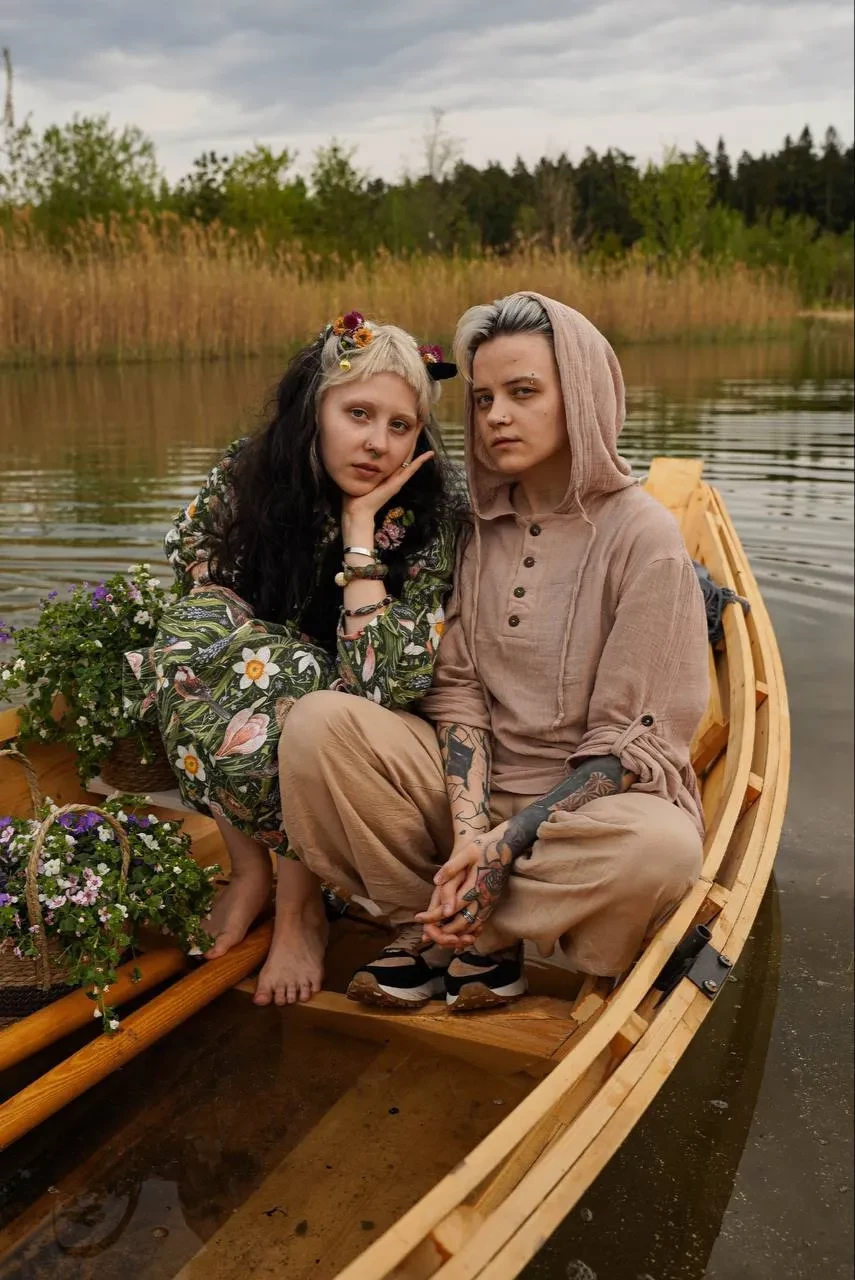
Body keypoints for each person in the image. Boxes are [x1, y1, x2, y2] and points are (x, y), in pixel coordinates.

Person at [277, 292, 710, 1013]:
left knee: (662, 849)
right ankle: (446, 915)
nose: (496, 416)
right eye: (482, 399)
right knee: (317, 727)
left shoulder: (645, 539)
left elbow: (632, 747)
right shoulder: (474, 527)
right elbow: (458, 693)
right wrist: (472, 831)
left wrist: (506, 847)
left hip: (583, 813)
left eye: (523, 392)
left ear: (582, 396)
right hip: (465, 796)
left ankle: (462, 931)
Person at [123, 312, 460, 1006]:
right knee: (194, 639)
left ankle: (301, 905)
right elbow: (194, 565)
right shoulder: (254, 473)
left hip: (356, 730)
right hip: (271, 687)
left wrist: (360, 535)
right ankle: (251, 872)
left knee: (296, 685)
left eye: (400, 426)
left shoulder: (428, 521)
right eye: (358, 414)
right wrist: (247, 638)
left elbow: (383, 687)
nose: (377, 442)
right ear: (315, 409)